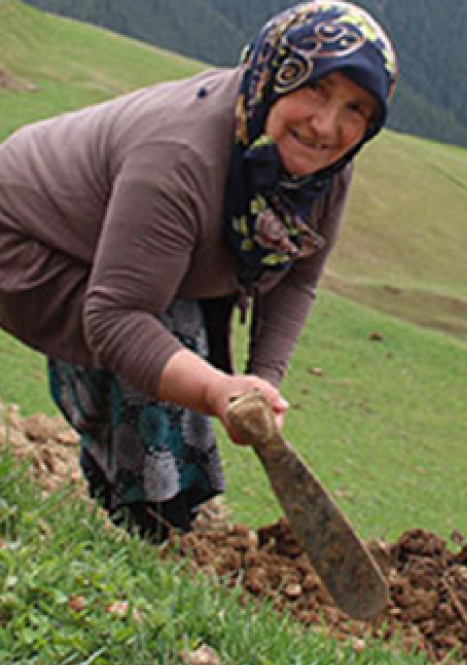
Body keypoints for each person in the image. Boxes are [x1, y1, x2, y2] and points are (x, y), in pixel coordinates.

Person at [0, 1, 398, 541]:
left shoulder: (322, 169)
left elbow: (298, 276)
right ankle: (149, 523)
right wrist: (217, 391)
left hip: (134, 253)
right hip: (28, 238)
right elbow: (117, 317)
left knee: (176, 339)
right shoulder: (181, 156)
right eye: (314, 89)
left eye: (356, 108)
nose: (326, 125)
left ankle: (164, 514)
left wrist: (262, 383)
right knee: (164, 341)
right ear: (273, 75)